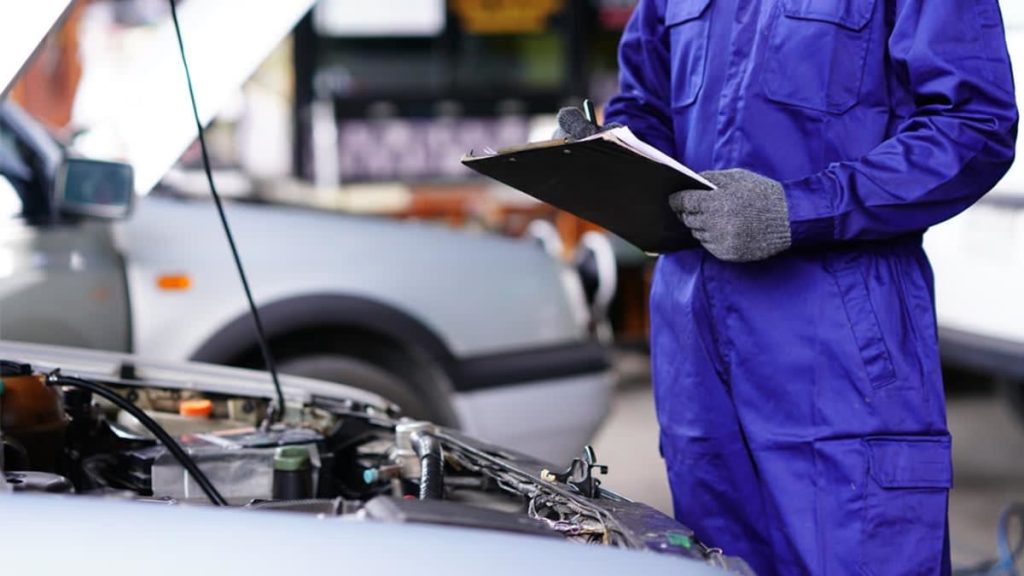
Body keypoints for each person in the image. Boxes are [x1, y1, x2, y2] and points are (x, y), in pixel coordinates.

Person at [561, 1, 1018, 574]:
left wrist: (798, 209)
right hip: (696, 354)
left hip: (840, 349)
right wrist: (610, 154)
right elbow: (645, 100)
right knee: (719, 562)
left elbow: (973, 125)